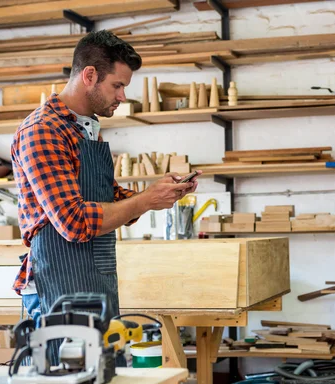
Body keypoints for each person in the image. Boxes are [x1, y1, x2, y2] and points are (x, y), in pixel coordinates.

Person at [11, 30, 200, 363]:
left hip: (95, 281)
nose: (123, 96)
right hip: (58, 287)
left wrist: (158, 193)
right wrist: (144, 201)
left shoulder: (83, 128)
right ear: (89, 75)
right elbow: (72, 222)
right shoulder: (43, 131)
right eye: (118, 85)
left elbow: (108, 197)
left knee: (104, 381)